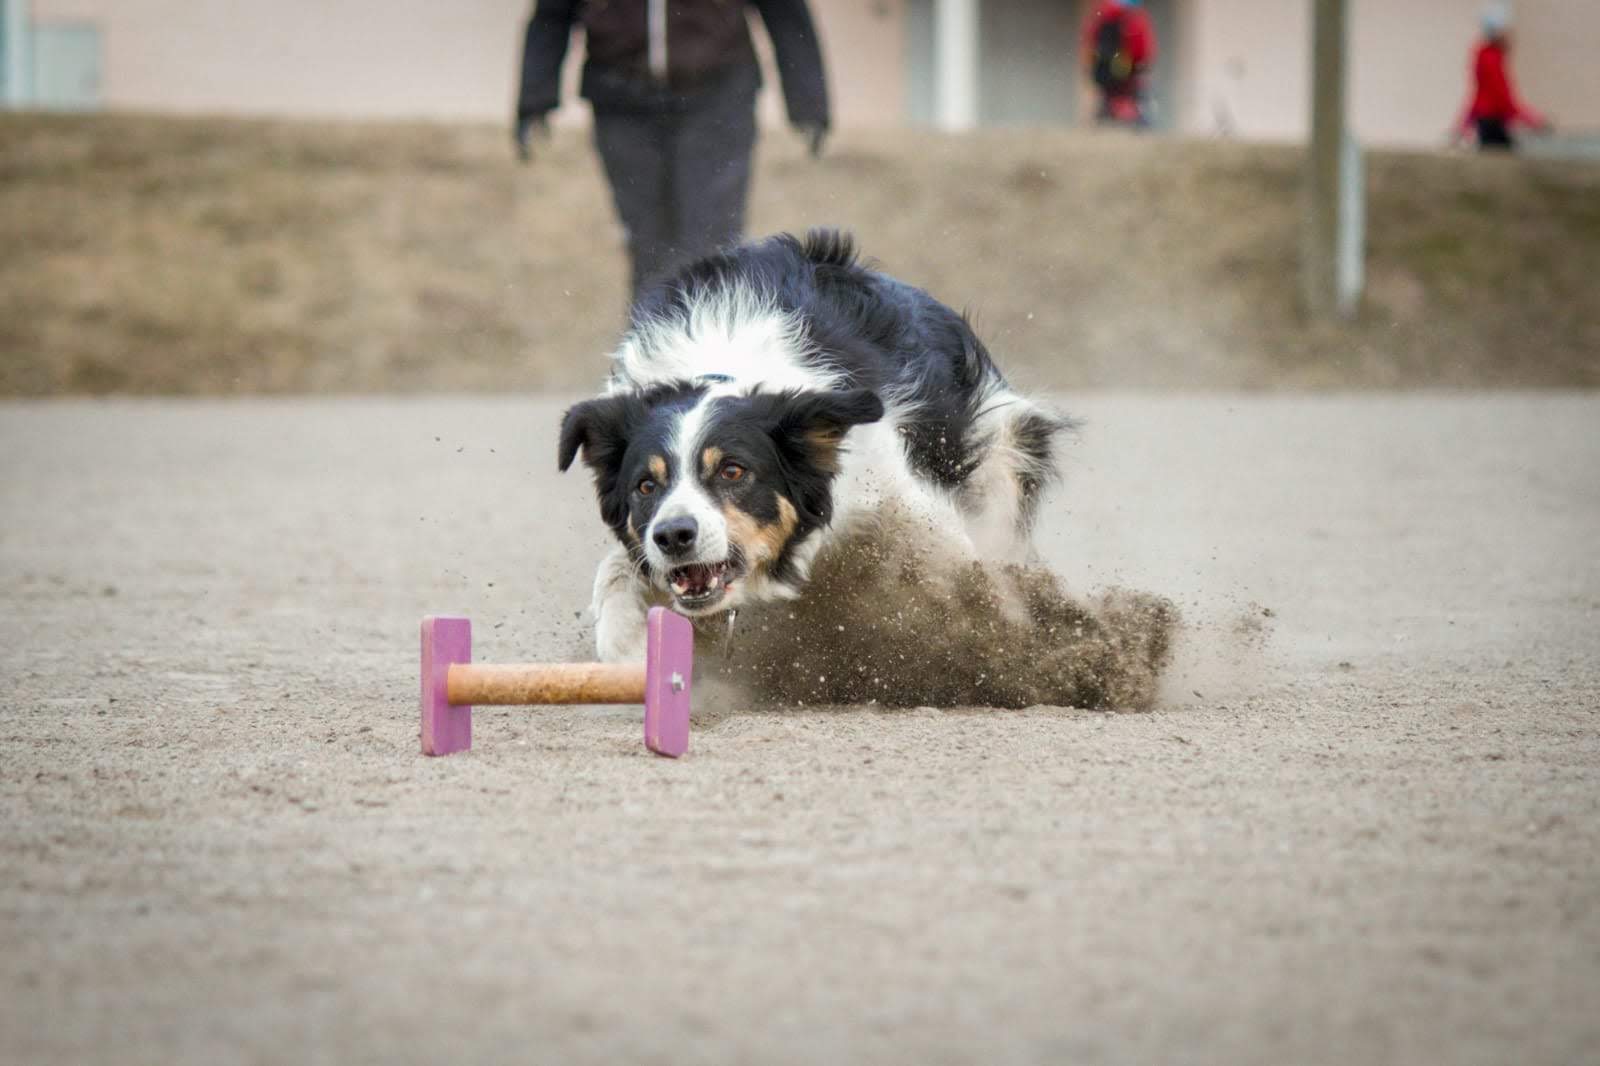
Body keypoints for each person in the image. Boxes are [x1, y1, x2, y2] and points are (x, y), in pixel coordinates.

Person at [515, 0, 830, 301]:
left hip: (717, 97)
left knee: (711, 243)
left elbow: (785, 9)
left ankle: (711, 341)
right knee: (648, 243)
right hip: (620, 100)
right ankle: (653, 342)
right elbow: (552, 12)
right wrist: (535, 98)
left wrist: (807, 100)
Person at [1454, 4, 1550, 152]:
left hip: (1489, 122)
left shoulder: (1486, 57)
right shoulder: (1491, 59)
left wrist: (1462, 126)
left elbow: (1478, 97)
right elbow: (1502, 98)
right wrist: (1532, 120)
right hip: (1492, 123)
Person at [1082, 0, 1157, 128]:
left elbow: (1090, 42)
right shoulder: (1132, 17)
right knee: (1135, 105)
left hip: (1104, 72)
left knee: (1107, 105)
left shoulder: (1102, 15)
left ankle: (1102, 127)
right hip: (1127, 72)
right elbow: (1141, 50)